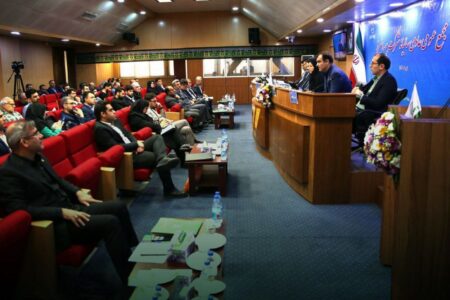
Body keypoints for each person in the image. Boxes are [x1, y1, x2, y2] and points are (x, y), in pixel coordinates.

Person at [0, 121, 139, 289]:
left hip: (69, 207)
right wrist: (61, 212)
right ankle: (131, 278)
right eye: (36, 134)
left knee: (118, 207)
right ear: (24, 142)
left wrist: (77, 191)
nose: (41, 135)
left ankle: (133, 253)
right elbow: (19, 211)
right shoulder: (9, 172)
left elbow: (58, 180)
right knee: (110, 223)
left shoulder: (39, 157)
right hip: (54, 226)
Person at [93, 102, 187, 197]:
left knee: (157, 138)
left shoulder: (115, 120)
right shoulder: (100, 128)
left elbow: (128, 134)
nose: (114, 112)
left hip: (133, 147)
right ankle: (169, 189)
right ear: (103, 114)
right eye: (110, 110)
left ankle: (162, 159)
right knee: (154, 156)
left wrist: (137, 144)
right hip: (126, 156)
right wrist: (135, 145)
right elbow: (115, 147)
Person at [352, 53, 398, 142]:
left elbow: (378, 103)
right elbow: (365, 91)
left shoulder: (389, 80)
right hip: (362, 109)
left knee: (343, 116)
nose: (370, 66)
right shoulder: (376, 78)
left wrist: (361, 96)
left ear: (381, 66)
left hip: (372, 113)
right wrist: (357, 89)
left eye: (373, 63)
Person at [129, 99, 187, 164]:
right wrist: (158, 125)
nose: (146, 110)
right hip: (149, 136)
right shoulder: (134, 117)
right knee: (173, 135)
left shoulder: (142, 114)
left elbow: (152, 122)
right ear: (141, 107)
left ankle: (182, 148)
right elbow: (148, 125)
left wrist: (159, 124)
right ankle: (183, 149)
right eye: (145, 108)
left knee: (173, 130)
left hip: (156, 131)